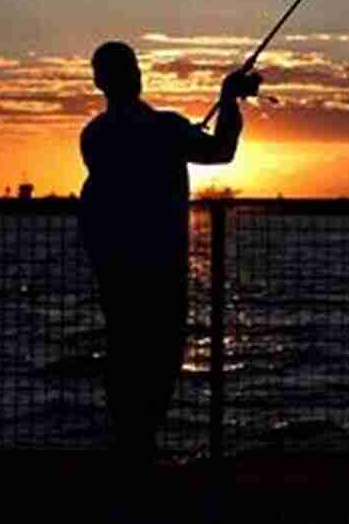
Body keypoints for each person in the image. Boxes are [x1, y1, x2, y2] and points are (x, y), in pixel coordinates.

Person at [77, 40, 259, 465]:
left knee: (123, 353)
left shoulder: (94, 136)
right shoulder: (167, 129)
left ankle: (129, 444)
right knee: (161, 355)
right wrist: (228, 100)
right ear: (137, 76)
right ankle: (143, 444)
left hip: (114, 267)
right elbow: (221, 151)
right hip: (160, 266)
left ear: (99, 81)